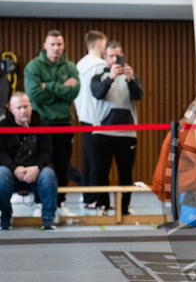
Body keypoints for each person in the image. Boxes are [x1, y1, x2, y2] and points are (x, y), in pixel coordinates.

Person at [23, 29, 79, 216]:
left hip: (63, 122)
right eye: (52, 44)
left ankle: (60, 203)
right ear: (45, 46)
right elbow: (34, 94)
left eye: (59, 44)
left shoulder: (70, 67)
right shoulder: (34, 66)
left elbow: (74, 92)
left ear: (64, 46)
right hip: (41, 123)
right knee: (40, 164)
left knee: (63, 165)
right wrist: (62, 89)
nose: (56, 48)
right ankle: (40, 204)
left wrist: (48, 86)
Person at [90, 41, 143, 215]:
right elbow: (97, 93)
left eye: (117, 56)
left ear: (122, 56)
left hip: (126, 133)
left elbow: (138, 96)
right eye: (111, 56)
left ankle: (124, 207)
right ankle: (102, 206)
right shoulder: (98, 76)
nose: (114, 59)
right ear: (105, 58)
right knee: (101, 173)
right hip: (102, 132)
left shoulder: (131, 76)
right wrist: (110, 78)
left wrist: (130, 79)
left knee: (126, 173)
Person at [0, 93, 58, 230]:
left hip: (36, 172)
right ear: (11, 110)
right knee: (1, 174)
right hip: (12, 173)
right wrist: (15, 169)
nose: (23, 111)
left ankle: (48, 218)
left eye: (26, 106)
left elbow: (47, 152)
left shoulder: (42, 124)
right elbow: (1, 153)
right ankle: (5, 216)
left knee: (48, 174)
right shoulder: (3, 126)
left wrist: (37, 167)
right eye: (19, 108)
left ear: (31, 106)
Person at [74, 30, 109, 209]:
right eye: (105, 45)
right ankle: (95, 198)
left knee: (88, 158)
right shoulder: (100, 65)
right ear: (99, 44)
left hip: (83, 115)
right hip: (97, 117)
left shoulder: (79, 65)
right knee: (97, 160)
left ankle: (87, 196)